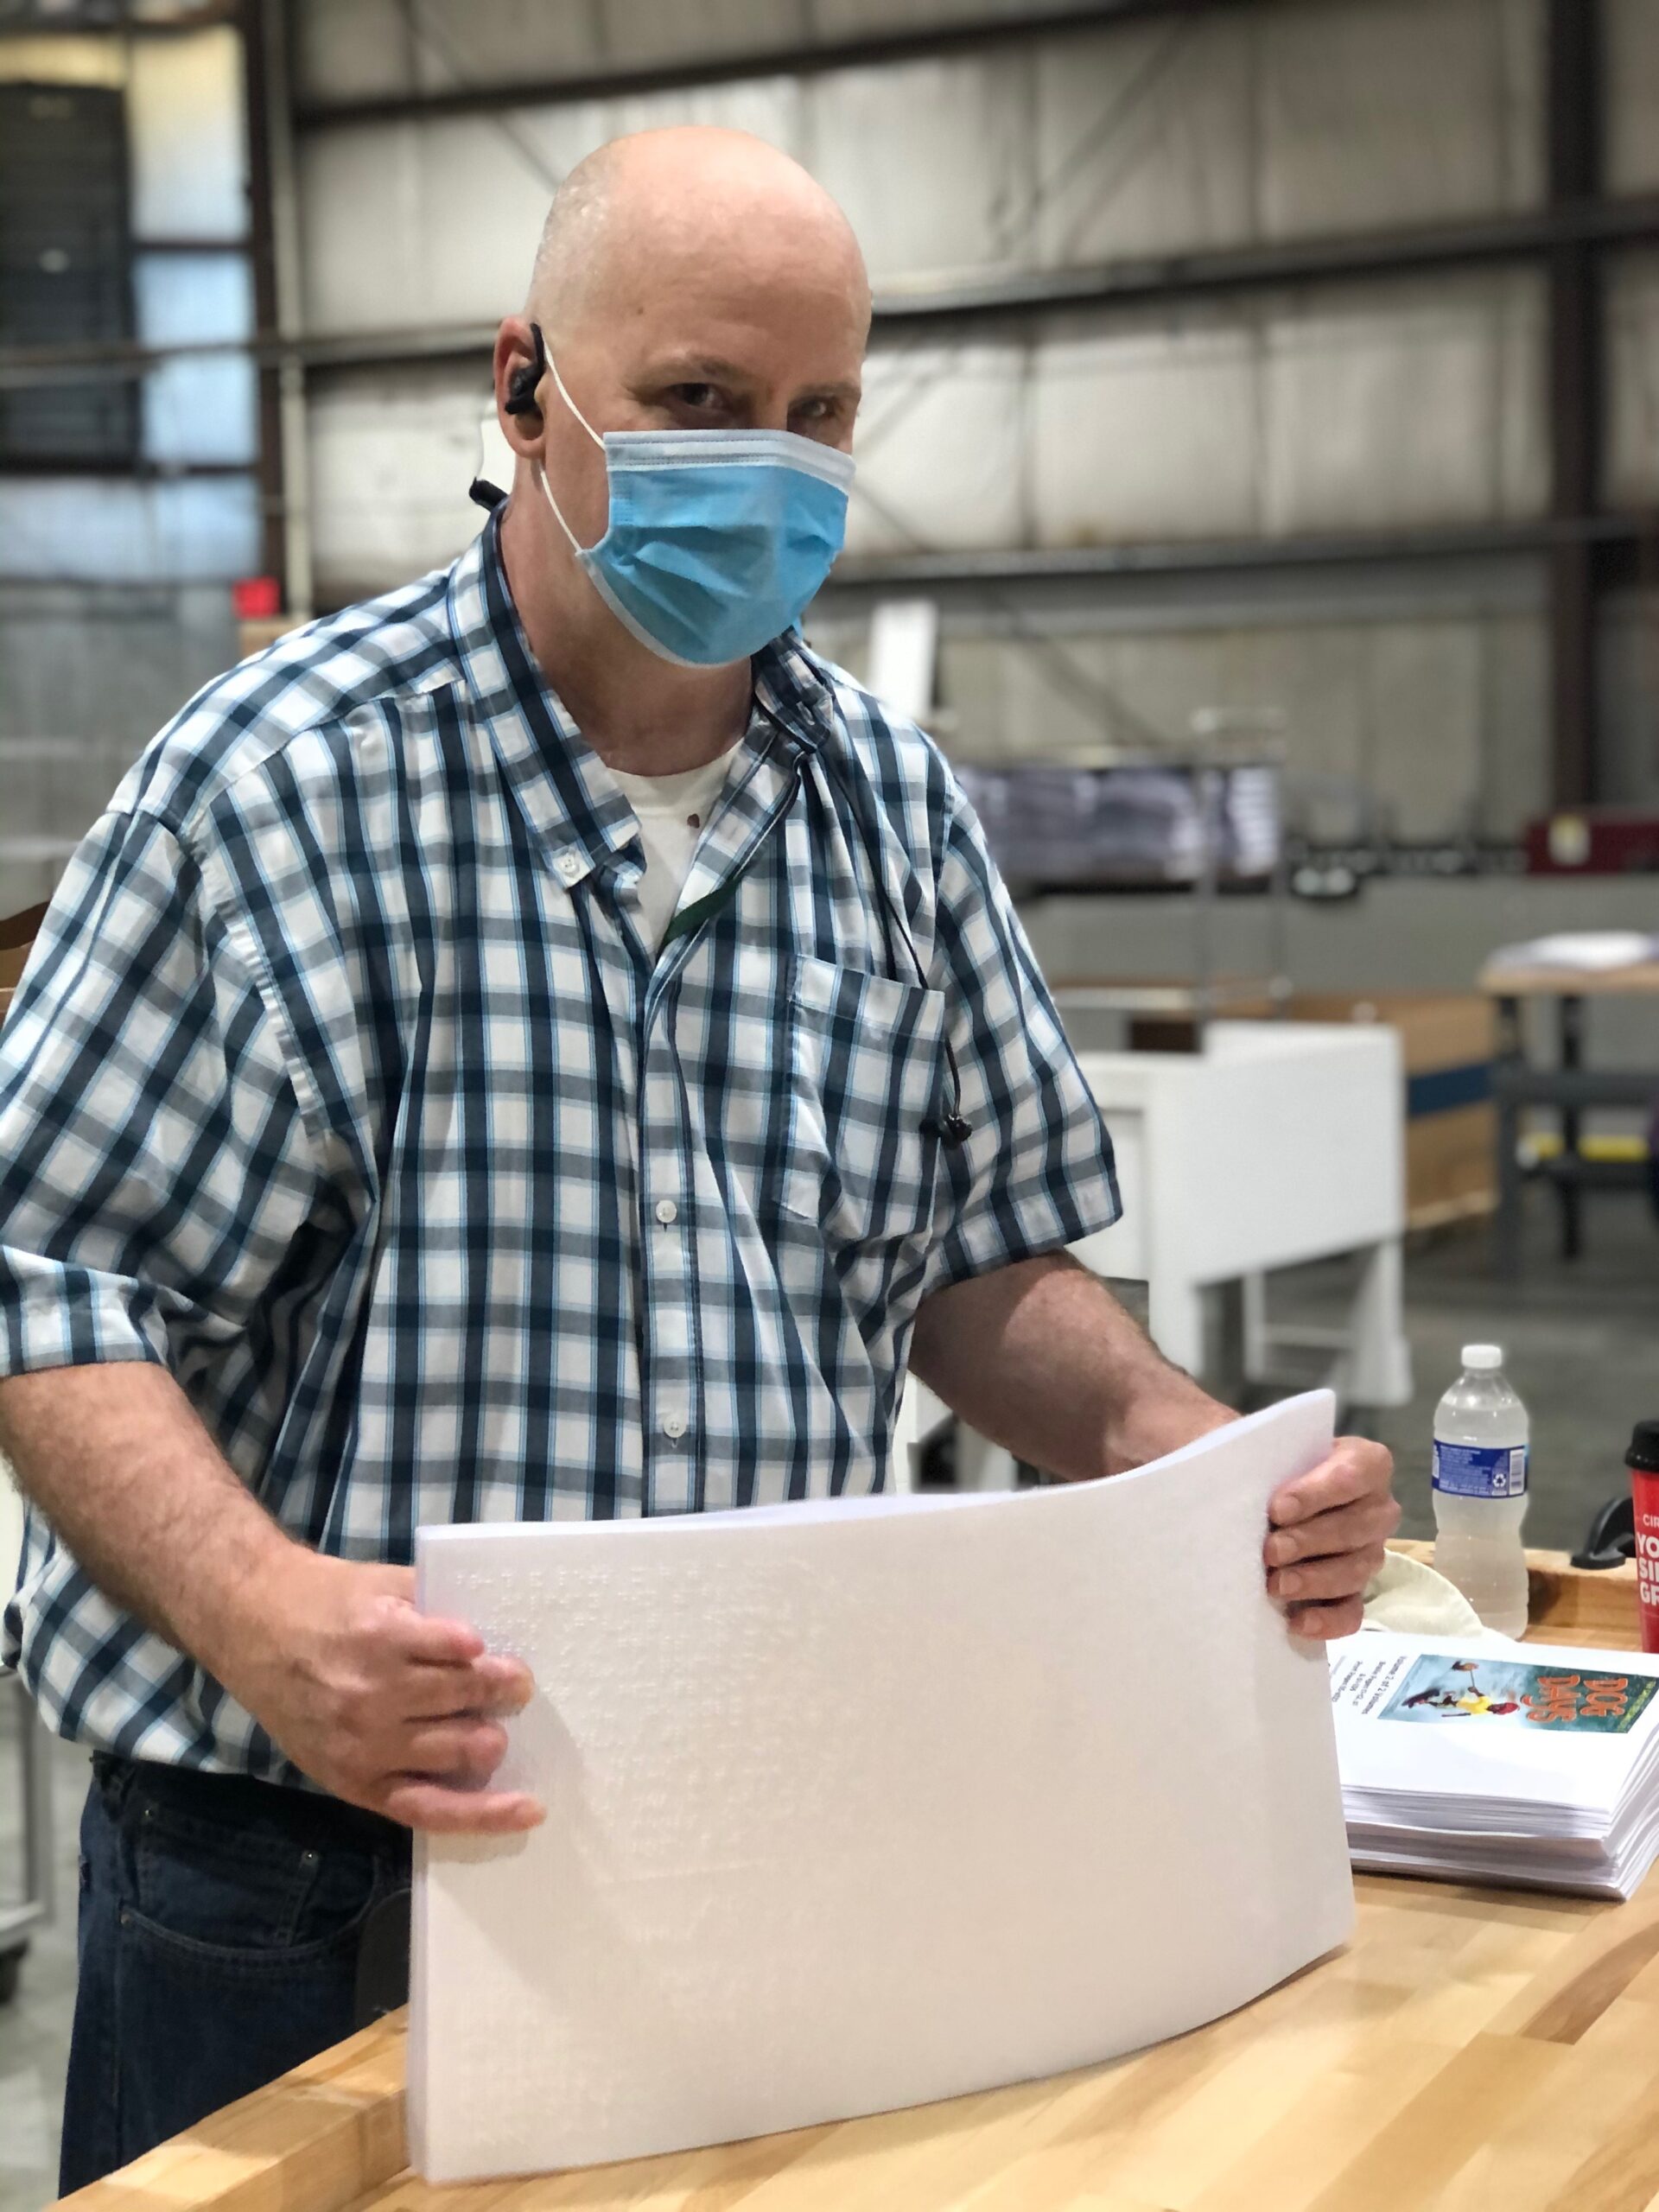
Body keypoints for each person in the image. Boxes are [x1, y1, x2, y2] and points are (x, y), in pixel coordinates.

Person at [0, 127, 1398, 2189]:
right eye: (697, 398)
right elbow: (51, 1279)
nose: (767, 463)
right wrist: (263, 1606)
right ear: (522, 387)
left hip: (769, 1811)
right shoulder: (279, 790)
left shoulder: (893, 814)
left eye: (818, 413)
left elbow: (972, 1259)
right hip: (307, 1860)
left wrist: (1193, 1461)